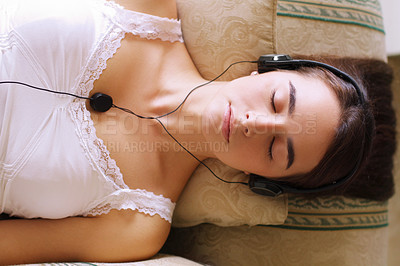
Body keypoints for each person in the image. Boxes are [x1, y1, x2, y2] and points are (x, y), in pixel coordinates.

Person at [0, 0, 383, 264]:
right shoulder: (149, 7)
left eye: (276, 149)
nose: (255, 124)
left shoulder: (137, 227)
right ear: (269, 68)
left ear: (263, 182)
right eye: (277, 101)